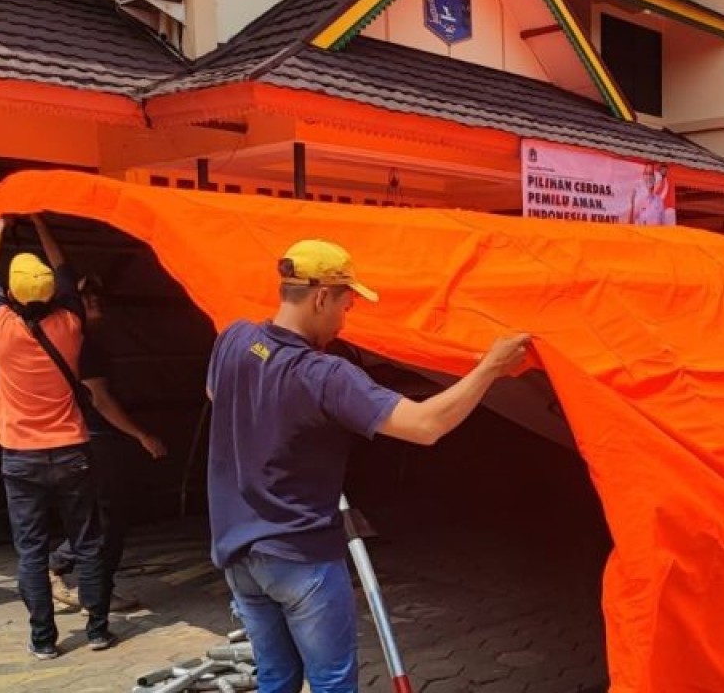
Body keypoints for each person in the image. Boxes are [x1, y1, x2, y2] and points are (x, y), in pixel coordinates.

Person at [206, 239, 530, 693]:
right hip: (301, 557)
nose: (345, 321)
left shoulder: (234, 340)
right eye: (346, 306)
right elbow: (426, 425)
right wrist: (490, 368)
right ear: (321, 298)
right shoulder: (324, 375)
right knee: (333, 683)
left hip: (238, 553)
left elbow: (217, 395)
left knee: (276, 680)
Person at [0, 214, 116, 659]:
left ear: (11, 294)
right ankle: (98, 631)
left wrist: (2, 226)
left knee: (31, 552)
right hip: (71, 451)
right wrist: (41, 224)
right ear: (52, 292)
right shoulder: (70, 324)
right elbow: (64, 269)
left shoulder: (0, 326)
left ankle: (44, 640)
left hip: (20, 456)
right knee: (88, 543)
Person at [48, 272, 168, 613]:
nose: (95, 300)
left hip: (81, 438)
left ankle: (82, 582)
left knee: (101, 516)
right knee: (108, 519)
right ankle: (81, 582)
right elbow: (100, 399)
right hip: (96, 439)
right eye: (86, 297)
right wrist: (141, 434)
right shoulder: (85, 346)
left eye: (97, 296)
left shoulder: (73, 341)